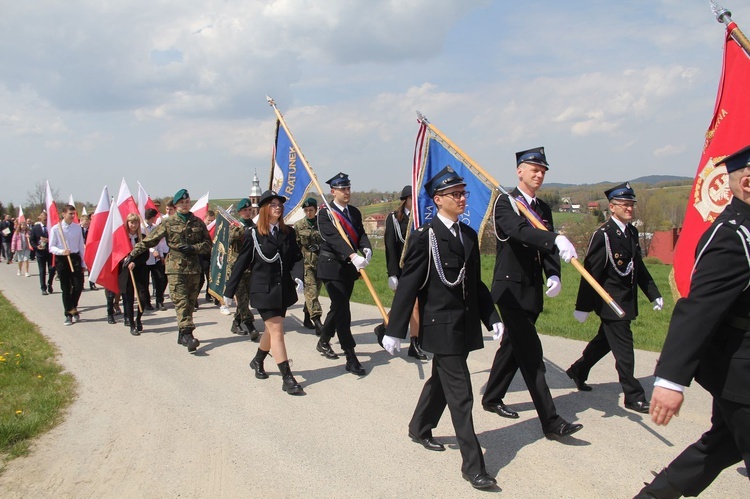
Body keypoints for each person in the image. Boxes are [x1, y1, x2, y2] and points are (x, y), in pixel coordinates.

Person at [634, 145, 750, 498]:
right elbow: (699, 309)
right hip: (742, 371)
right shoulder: (733, 236)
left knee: (723, 445)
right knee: (723, 444)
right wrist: (671, 380)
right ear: (745, 182)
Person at [382, 166, 503, 490]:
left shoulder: (467, 235)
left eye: (464, 193)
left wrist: (492, 318)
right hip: (440, 327)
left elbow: (475, 284)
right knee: (461, 394)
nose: (463, 198)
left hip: (463, 326)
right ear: (438, 199)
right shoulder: (426, 237)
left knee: (441, 382)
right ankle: (473, 466)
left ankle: (419, 426)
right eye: (456, 194)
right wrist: (395, 329)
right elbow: (409, 285)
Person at [484, 146, 583, 440]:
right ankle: (551, 422)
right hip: (510, 289)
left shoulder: (543, 209)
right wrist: (554, 239)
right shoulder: (506, 203)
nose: (539, 175)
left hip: (532, 290)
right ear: (519, 171)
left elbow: (546, 247)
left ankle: (491, 397)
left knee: (513, 347)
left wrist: (553, 272)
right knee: (531, 354)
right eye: (533, 169)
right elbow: (520, 232)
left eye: (542, 171)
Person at [566, 182, 663, 413]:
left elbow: (637, 268)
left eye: (631, 205)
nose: (629, 209)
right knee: (624, 349)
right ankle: (633, 395)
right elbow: (590, 273)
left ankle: (578, 370)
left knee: (605, 342)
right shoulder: (604, 235)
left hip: (626, 300)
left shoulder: (631, 232)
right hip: (610, 302)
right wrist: (583, 307)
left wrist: (653, 294)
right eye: (625, 205)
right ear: (612, 207)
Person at [224, 190, 305, 395]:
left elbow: (295, 258)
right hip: (263, 291)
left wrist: (298, 277)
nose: (277, 207)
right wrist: (228, 291)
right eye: (273, 204)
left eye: (279, 204)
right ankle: (287, 377)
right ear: (264, 209)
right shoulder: (253, 234)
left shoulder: (288, 233)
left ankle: (258, 360)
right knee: (277, 331)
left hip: (282, 291)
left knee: (271, 331)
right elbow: (241, 264)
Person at [128, 189, 212, 353]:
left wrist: (193, 248)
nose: (185, 205)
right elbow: (150, 240)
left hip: (194, 269)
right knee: (181, 302)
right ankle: (188, 334)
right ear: (176, 205)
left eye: (187, 202)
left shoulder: (198, 222)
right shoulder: (168, 223)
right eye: (182, 203)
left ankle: (182, 334)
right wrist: (132, 254)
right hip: (175, 268)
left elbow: (208, 244)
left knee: (189, 303)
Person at [316, 172, 372, 375]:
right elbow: (332, 238)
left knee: (339, 306)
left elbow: (361, 234)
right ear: (333, 192)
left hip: (348, 269)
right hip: (331, 266)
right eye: (342, 189)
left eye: (348, 188)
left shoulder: (354, 212)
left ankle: (323, 339)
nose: (346, 192)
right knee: (343, 310)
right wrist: (352, 255)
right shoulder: (325, 214)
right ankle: (350, 354)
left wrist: (366, 249)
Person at [382, 185, 426, 360]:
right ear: (405, 200)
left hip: (419, 267)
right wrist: (392, 273)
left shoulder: (420, 218)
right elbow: (390, 247)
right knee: (412, 304)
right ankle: (414, 343)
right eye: (411, 199)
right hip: (402, 269)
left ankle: (384, 325)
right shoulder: (394, 219)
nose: (414, 202)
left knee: (406, 304)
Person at [226, 198, 259, 339]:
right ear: (239, 212)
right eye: (244, 210)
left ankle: (236, 322)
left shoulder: (255, 226)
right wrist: (244, 230)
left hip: (250, 267)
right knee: (242, 297)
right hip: (236, 267)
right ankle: (250, 325)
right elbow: (230, 238)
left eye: (249, 210)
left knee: (246, 297)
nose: (247, 212)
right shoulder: (235, 226)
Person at [49, 205, 87, 326]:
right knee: (66, 288)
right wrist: (61, 251)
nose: (72, 216)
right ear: (63, 214)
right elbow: (51, 247)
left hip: (75, 258)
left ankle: (73, 307)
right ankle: (68, 314)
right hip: (62, 259)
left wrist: (83, 262)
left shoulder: (77, 228)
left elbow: (81, 246)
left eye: (73, 214)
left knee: (78, 285)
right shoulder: (56, 229)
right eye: (70, 213)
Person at [293, 197, 324, 335]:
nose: (308, 213)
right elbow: (296, 246)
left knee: (315, 292)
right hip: (306, 263)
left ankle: (307, 317)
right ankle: (318, 322)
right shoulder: (299, 225)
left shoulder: (322, 224)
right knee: (311, 291)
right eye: (306, 210)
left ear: (316, 210)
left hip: (321, 262)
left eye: (311, 210)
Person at [119, 213, 149, 336]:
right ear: (127, 223)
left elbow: (146, 255)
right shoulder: (122, 237)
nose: (134, 225)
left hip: (140, 271)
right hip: (126, 272)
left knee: (142, 297)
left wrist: (135, 262)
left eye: (136, 222)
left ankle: (138, 319)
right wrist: (126, 262)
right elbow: (118, 254)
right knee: (128, 299)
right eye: (131, 222)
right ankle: (131, 324)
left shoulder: (142, 237)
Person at [143, 208, 168, 311]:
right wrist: (152, 250)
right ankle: (147, 302)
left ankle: (159, 301)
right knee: (144, 282)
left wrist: (161, 255)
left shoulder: (155, 228)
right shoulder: (141, 227)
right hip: (145, 259)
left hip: (156, 259)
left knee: (160, 279)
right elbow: (144, 243)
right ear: (152, 217)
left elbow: (159, 243)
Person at [30, 212, 56, 295]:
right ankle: (43, 288)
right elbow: (32, 240)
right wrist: (37, 246)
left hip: (50, 252)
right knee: (42, 271)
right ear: (40, 219)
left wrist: (49, 240)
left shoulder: (51, 227)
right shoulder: (35, 228)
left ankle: (49, 283)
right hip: (40, 252)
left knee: (52, 269)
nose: (46, 221)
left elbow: (56, 239)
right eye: (44, 219)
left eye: (47, 219)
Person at [80, 214, 97, 290]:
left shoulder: (91, 230)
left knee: (90, 267)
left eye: (88, 223)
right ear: (81, 221)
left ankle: (92, 284)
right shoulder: (78, 229)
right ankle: (81, 284)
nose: (86, 224)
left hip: (89, 250)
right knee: (82, 267)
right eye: (85, 223)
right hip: (81, 251)